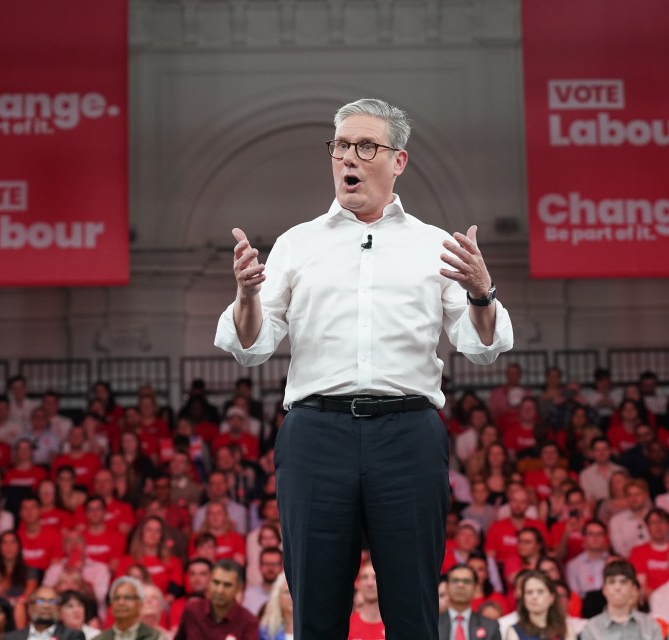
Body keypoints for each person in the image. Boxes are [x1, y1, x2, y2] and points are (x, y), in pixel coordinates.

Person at [214, 97, 513, 640]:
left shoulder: (434, 246)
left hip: (408, 435)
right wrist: (245, 294)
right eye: (341, 146)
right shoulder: (296, 244)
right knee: (316, 609)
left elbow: (482, 346)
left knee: (413, 607)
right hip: (315, 434)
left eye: (366, 146)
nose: (348, 157)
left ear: (398, 161)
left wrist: (481, 292)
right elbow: (251, 346)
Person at [173, 559, 258, 640]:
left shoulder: (248, 622)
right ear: (209, 582)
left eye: (227, 585)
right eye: (216, 582)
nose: (219, 590)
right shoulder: (192, 611)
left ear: (239, 588)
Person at [578, 560, 662, 640]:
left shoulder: (650, 626)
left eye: (623, 582)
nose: (617, 587)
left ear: (633, 589)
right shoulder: (591, 629)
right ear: (604, 589)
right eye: (611, 582)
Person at [438, 565, 501, 640]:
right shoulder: (432, 625)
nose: (460, 585)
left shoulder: (490, 627)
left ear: (475, 587)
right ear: (447, 586)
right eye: (455, 580)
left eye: (466, 581)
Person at [509, 570, 574, 640]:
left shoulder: (566, 630)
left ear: (552, 597)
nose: (534, 597)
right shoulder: (514, 631)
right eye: (529, 592)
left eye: (540, 591)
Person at [1, 586, 86, 640]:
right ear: (30, 607)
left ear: (58, 608)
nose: (46, 606)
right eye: (40, 601)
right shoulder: (10, 638)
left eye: (52, 602)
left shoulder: (73, 636)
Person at [93, 578, 159, 640]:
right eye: (116, 598)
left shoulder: (155, 637)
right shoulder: (100, 639)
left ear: (140, 604)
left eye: (128, 597)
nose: (121, 602)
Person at [348, 560, 385, 640]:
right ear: (357, 584)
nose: (370, 583)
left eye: (375, 577)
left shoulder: (394, 625)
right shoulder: (347, 625)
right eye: (365, 577)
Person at [242, 547, 283, 615]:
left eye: (275, 564)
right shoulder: (249, 595)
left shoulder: (290, 595)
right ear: (260, 567)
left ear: (282, 567)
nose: (270, 568)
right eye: (266, 564)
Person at [257, 573, 293, 640]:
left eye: (295, 592)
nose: (292, 597)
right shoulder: (266, 633)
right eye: (287, 592)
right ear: (277, 596)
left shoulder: (314, 630)